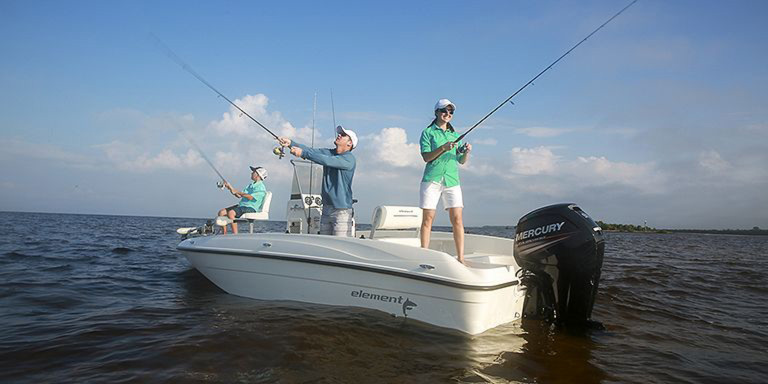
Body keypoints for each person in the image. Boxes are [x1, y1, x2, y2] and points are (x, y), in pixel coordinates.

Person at [278, 125, 358, 236]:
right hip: (325, 208)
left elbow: (326, 160)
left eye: (343, 135)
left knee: (341, 245)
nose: (339, 135)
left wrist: (303, 154)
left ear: (350, 144)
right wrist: (290, 143)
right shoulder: (330, 153)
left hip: (342, 211)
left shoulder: (349, 159)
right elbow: (311, 151)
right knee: (325, 244)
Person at [419, 99, 472, 263]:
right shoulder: (428, 133)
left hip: (452, 180)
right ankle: (424, 256)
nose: (447, 114)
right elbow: (426, 157)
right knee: (428, 218)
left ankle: (461, 258)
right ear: (436, 112)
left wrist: (466, 152)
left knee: (457, 219)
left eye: (451, 112)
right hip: (431, 180)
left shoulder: (455, 136)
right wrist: (443, 148)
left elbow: (461, 161)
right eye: (444, 111)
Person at [217, 166, 268, 234]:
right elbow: (238, 195)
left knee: (231, 213)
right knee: (221, 212)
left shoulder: (261, 187)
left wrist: (236, 191)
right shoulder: (250, 185)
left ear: (258, 175)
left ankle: (235, 235)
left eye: (253, 172)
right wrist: (229, 187)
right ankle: (224, 235)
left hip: (251, 207)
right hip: (242, 206)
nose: (251, 173)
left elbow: (250, 197)